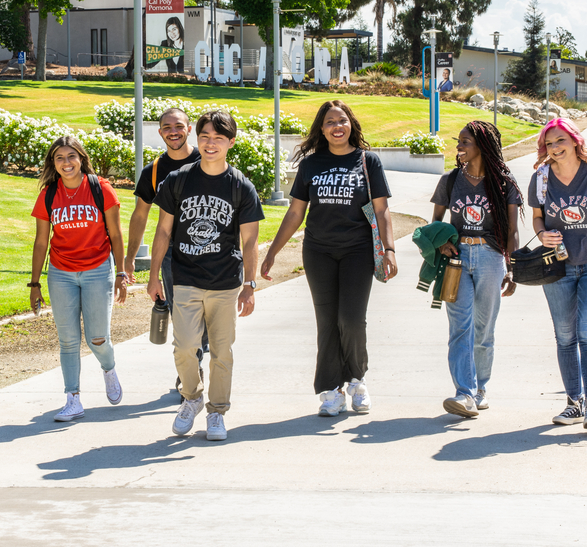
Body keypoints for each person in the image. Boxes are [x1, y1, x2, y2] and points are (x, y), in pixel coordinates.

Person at [260, 101, 397, 416]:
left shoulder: (368, 161)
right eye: (330, 122)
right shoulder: (311, 164)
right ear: (321, 129)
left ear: (351, 124)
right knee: (327, 323)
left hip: (358, 251)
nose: (338, 126)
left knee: (350, 320)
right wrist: (273, 252)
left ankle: (357, 379)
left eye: (342, 120)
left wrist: (389, 249)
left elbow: (381, 209)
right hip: (318, 251)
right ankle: (330, 389)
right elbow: (296, 212)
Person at [148, 110, 264, 441]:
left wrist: (250, 284)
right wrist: (154, 275)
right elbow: (163, 230)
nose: (210, 144)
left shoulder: (241, 186)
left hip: (225, 283)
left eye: (218, 138)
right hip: (185, 278)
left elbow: (250, 240)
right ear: (197, 139)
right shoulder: (178, 180)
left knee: (222, 352)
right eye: (205, 137)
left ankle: (217, 412)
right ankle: (192, 397)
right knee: (184, 348)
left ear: (230, 142)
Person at [528, 118, 587, 432]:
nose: (555, 148)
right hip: (558, 266)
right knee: (565, 337)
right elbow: (537, 220)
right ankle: (573, 402)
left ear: (574, 140)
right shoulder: (541, 178)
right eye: (550, 143)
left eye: (560, 141)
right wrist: (542, 235)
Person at [30, 136, 127, 422]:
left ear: (81, 158)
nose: (66, 162)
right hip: (61, 273)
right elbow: (40, 242)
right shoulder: (49, 194)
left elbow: (116, 234)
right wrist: (35, 284)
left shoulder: (101, 189)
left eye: (71, 156)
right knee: (68, 340)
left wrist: (121, 273)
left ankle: (108, 369)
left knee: (98, 338)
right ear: (53, 163)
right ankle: (73, 398)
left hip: (98, 269)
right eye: (59, 158)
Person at [430, 120, 521, 418]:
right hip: (456, 259)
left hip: (490, 258)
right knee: (459, 328)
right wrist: (441, 243)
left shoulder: (504, 184)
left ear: (482, 145)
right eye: (459, 141)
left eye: (465, 141)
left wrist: (512, 267)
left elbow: (512, 231)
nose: (459, 146)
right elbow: (436, 224)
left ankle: (481, 388)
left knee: (484, 329)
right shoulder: (450, 180)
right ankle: (464, 393)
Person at [123, 107, 208, 393]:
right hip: (173, 254)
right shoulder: (154, 171)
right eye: (167, 127)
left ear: (189, 129)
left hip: (210, 251)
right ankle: (190, 369)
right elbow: (140, 214)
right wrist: (130, 256)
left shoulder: (206, 159)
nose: (173, 131)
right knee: (181, 313)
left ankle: (198, 358)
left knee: (207, 313)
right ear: (160, 132)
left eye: (179, 126)